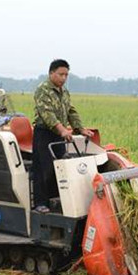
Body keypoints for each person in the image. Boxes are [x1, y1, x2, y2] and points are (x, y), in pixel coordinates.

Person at [32, 59, 94, 213]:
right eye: (61, 74)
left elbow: (70, 111)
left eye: (66, 75)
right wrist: (62, 130)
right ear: (51, 73)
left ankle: (57, 200)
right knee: (43, 168)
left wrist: (80, 129)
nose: (64, 78)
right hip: (44, 133)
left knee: (60, 167)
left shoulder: (64, 92)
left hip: (59, 135)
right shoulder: (43, 90)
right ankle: (40, 203)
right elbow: (47, 114)